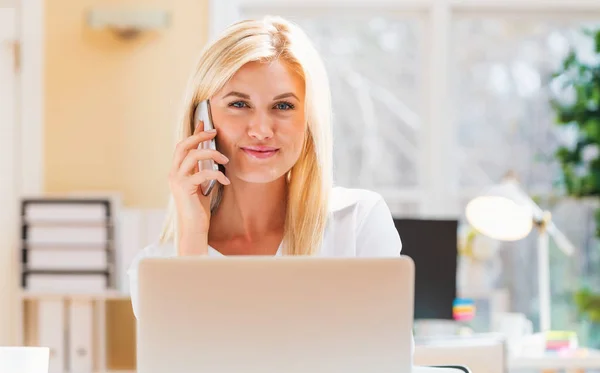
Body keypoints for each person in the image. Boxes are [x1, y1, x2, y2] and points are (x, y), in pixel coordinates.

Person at [127, 15, 404, 320]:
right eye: (239, 104)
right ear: (201, 119)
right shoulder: (155, 267)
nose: (261, 130)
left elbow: (391, 362)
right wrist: (193, 237)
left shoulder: (356, 222)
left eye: (283, 106)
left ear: (310, 120)